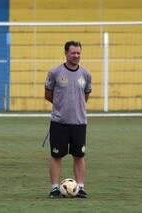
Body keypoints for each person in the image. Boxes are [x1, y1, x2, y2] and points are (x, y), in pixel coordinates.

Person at [45, 41, 92, 198]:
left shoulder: (86, 74)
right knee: (56, 155)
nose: (76, 56)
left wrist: (75, 106)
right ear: (65, 53)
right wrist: (62, 106)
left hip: (79, 122)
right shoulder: (55, 73)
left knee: (79, 155)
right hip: (59, 122)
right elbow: (48, 94)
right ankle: (54, 188)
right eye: (73, 53)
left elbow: (85, 95)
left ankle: (80, 187)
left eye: (79, 53)